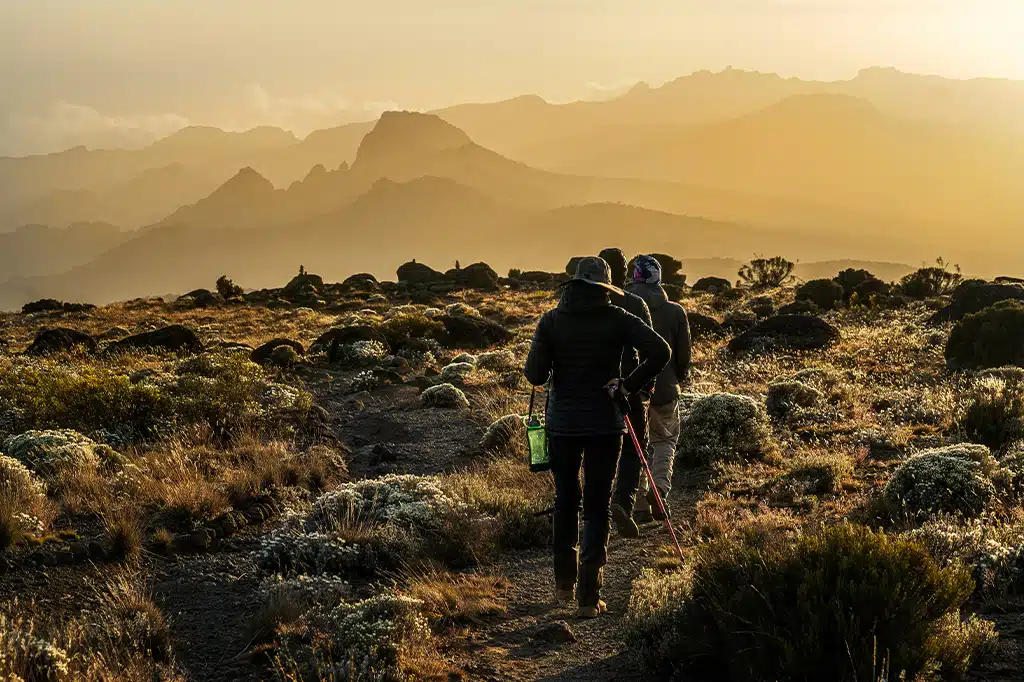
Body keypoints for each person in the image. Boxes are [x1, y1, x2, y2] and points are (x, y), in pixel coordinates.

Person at [524, 257, 669, 618]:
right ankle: (589, 597)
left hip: (562, 425)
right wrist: (628, 384)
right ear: (606, 287)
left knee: (565, 500)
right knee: (597, 505)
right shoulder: (619, 318)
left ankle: (563, 584)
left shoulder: (551, 320)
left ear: (573, 284)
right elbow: (661, 352)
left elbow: (535, 375)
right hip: (606, 423)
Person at [613, 255, 692, 524]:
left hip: (632, 389)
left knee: (637, 446)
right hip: (666, 389)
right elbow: (683, 355)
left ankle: (638, 505)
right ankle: (659, 490)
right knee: (665, 441)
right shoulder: (675, 311)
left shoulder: (621, 305)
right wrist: (676, 379)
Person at [598, 248, 655, 539]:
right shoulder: (635, 304)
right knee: (635, 448)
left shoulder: (584, 304)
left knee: (598, 448)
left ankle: (599, 511)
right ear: (625, 273)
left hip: (594, 389)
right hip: (628, 385)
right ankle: (622, 502)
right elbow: (652, 350)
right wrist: (644, 385)